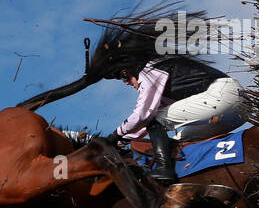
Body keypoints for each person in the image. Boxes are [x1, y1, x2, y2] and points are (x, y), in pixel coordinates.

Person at [91, 13, 247, 183]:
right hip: (237, 111)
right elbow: (145, 125)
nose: (127, 83)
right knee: (179, 140)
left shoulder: (149, 72)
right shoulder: (159, 75)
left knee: (154, 120)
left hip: (224, 96)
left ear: (128, 69)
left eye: (124, 78)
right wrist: (120, 141)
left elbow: (143, 116)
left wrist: (113, 136)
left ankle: (163, 169)